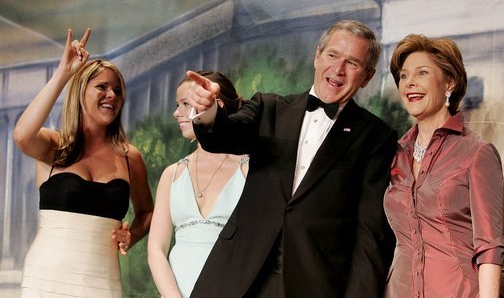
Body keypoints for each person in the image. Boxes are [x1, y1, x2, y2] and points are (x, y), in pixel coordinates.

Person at [185, 20, 397, 297]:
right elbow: (223, 136)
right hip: (238, 275)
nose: (338, 69)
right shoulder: (269, 108)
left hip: (314, 283)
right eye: (332, 55)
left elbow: (370, 235)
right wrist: (208, 111)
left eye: (352, 63)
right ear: (317, 56)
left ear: (367, 77)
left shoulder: (375, 137)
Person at [13, 28, 154, 297]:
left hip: (102, 281)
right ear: (80, 92)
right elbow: (21, 135)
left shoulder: (129, 156)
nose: (112, 95)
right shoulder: (53, 146)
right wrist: (64, 73)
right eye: (102, 87)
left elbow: (147, 212)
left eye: (117, 91)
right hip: (47, 279)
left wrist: (132, 235)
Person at [383, 34, 504, 298]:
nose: (410, 83)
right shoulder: (394, 154)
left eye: (422, 72)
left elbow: (490, 248)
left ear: (449, 82)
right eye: (403, 76)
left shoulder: (476, 153)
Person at [147, 71, 248, 298]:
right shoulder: (172, 175)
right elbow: (156, 250)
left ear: (215, 104)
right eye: (177, 104)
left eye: (185, 104)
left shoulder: (248, 170)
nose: (176, 113)